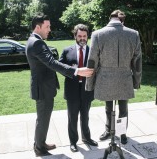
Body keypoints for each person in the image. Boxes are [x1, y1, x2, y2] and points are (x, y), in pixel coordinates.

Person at [25, 14, 93, 157]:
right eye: (47, 26)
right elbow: (51, 62)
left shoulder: (35, 41)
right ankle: (39, 148)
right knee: (43, 119)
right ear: (38, 27)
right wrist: (76, 70)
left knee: (43, 118)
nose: (49, 29)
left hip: (44, 88)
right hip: (43, 88)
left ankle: (41, 142)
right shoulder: (37, 43)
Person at [85, 10, 142, 145]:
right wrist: (137, 81)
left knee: (108, 108)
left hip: (105, 78)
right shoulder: (133, 34)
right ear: (122, 20)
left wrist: (90, 83)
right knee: (123, 108)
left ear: (109, 18)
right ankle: (122, 133)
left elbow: (92, 60)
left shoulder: (97, 34)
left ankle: (109, 130)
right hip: (125, 78)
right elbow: (137, 61)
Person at [59, 24, 98, 152]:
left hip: (87, 90)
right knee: (73, 118)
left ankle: (87, 138)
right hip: (72, 90)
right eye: (80, 36)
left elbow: (98, 67)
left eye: (85, 36)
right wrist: (75, 70)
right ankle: (73, 142)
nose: (82, 38)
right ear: (75, 36)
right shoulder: (66, 51)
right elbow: (60, 68)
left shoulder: (93, 51)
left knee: (85, 116)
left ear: (87, 36)